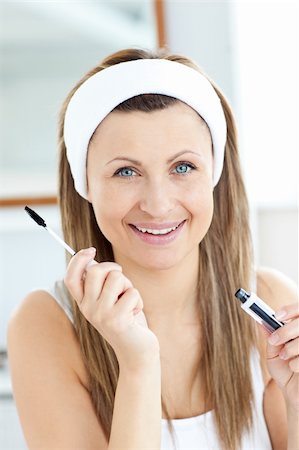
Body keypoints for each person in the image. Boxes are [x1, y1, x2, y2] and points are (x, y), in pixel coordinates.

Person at [7, 48, 298, 450]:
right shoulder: (46, 326)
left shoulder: (271, 306)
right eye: (126, 171)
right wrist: (139, 363)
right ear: (86, 185)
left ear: (213, 173)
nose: (158, 204)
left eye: (183, 167)